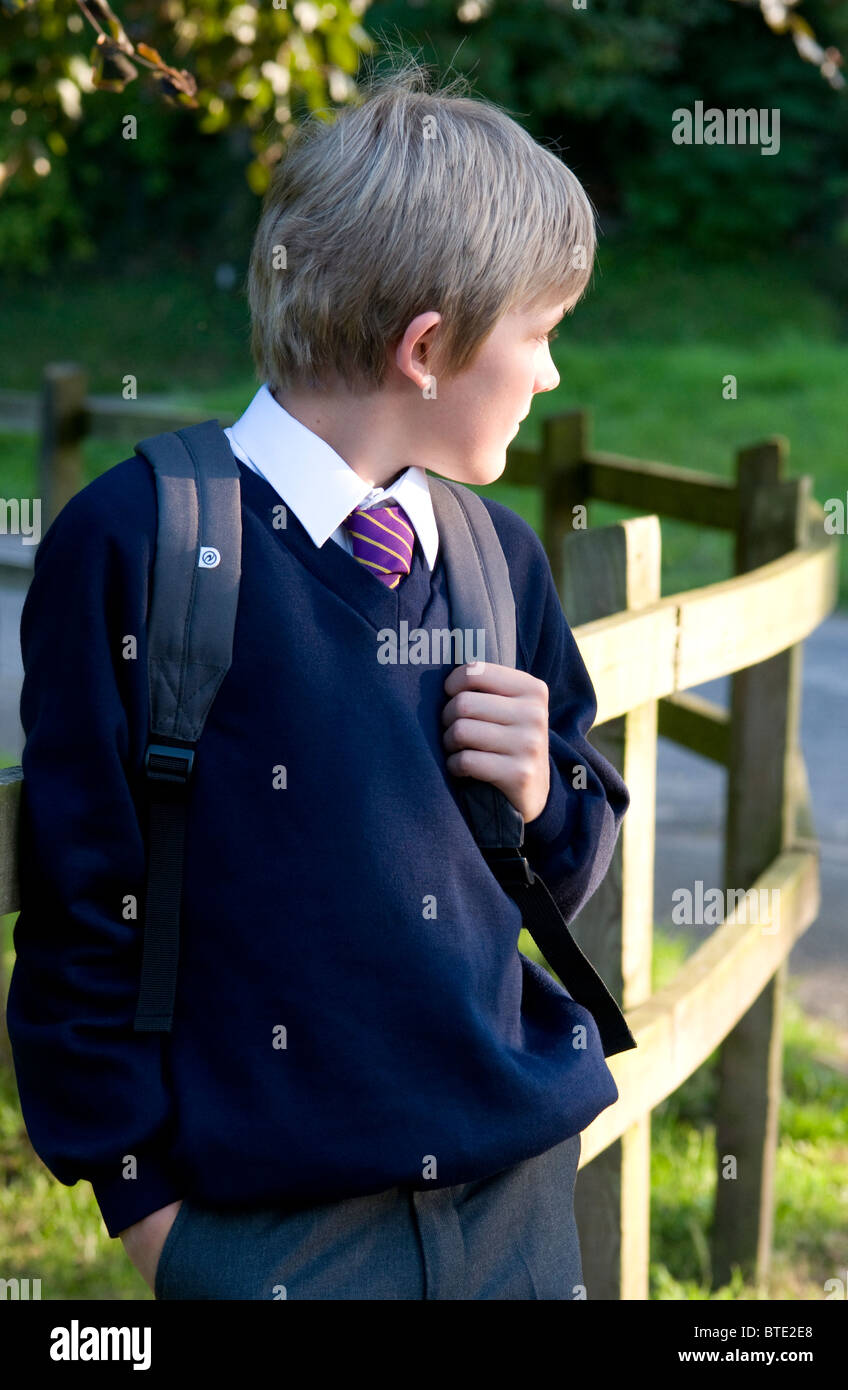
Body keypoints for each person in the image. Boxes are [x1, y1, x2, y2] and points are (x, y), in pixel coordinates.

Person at [7, 54, 631, 1300]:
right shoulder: (136, 545)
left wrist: (543, 792)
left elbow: (566, 859)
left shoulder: (496, 559)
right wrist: (148, 1209)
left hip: (516, 1208)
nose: (554, 374)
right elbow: (83, 902)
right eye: (541, 335)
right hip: (270, 1237)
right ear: (426, 348)